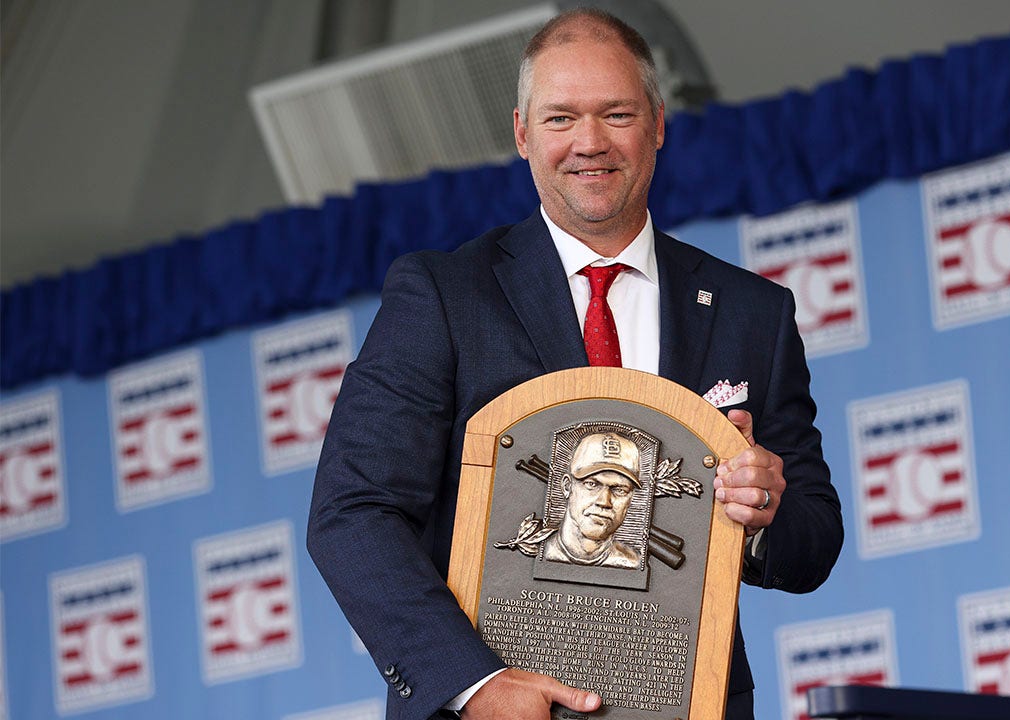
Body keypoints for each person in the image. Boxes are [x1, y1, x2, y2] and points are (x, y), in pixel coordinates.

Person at [308, 8, 843, 719]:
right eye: (560, 119)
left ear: (657, 123)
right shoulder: (442, 295)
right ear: (523, 133)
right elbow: (353, 512)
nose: (589, 143)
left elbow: (813, 537)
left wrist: (766, 512)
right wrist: (474, 684)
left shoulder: (753, 312)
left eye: (615, 114)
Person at [543, 431, 644, 569]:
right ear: (567, 486)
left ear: (630, 498)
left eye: (620, 490)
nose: (604, 501)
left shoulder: (634, 563)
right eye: (592, 484)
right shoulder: (539, 551)